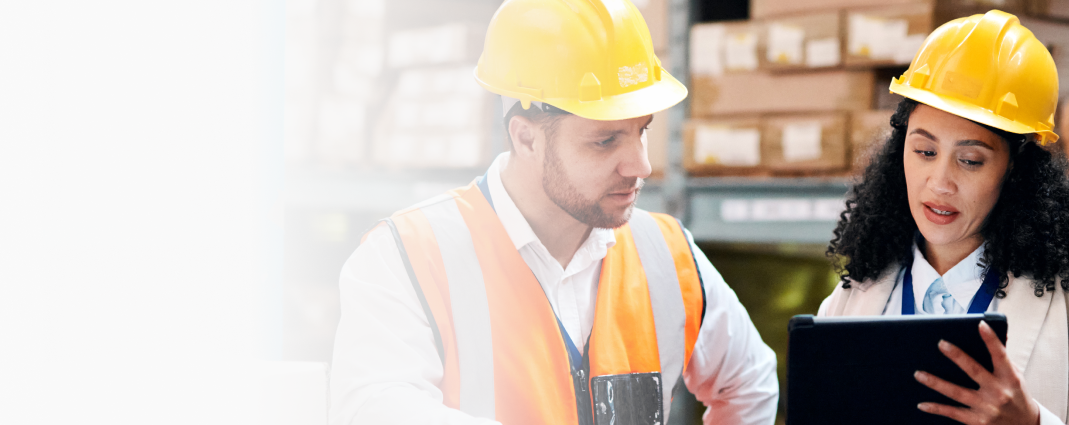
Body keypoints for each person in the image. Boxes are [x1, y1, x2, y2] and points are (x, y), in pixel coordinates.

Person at [327, 1, 778, 424]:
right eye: (605, 141)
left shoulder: (667, 254)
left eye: (642, 131)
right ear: (526, 139)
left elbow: (751, 381)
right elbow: (375, 407)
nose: (641, 165)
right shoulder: (408, 255)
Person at [814, 10, 1069, 425]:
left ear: (1016, 172)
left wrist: (1030, 423)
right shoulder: (848, 302)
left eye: (969, 160)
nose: (940, 182)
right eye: (924, 152)